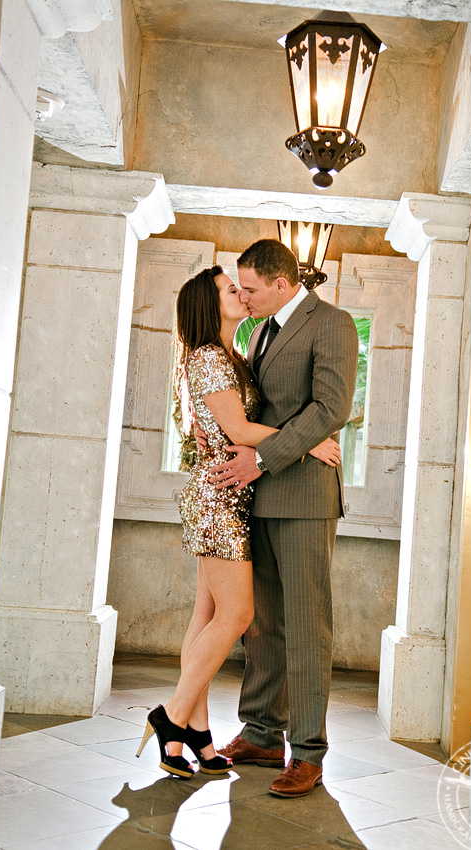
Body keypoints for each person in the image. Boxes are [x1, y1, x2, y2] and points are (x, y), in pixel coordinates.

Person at [135, 264, 341, 779]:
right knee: (238, 616)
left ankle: (198, 737)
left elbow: (224, 427)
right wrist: (308, 439)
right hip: (218, 499)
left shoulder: (236, 354)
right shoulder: (209, 357)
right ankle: (172, 717)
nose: (242, 296)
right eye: (233, 289)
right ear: (212, 303)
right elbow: (237, 425)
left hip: (232, 495)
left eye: (245, 287)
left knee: (206, 617)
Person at [210, 239, 359, 798]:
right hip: (260, 495)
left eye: (248, 288)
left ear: (281, 282)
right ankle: (261, 732)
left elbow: (331, 408)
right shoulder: (260, 330)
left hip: (303, 497)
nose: (242, 298)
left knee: (305, 624)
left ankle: (308, 752)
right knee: (262, 623)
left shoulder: (334, 323)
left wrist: (263, 456)